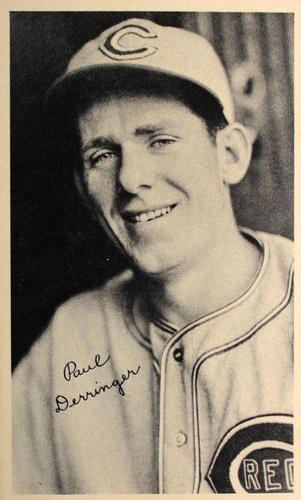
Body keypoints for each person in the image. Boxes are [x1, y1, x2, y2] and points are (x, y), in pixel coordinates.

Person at [12, 18, 293, 494]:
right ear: (83, 187)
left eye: (160, 140)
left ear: (230, 153)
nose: (129, 179)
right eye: (101, 155)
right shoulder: (70, 341)